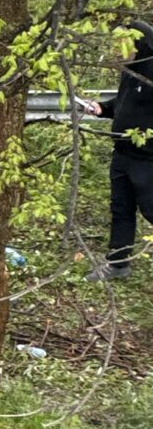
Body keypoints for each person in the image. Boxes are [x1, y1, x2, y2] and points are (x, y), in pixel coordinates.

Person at [84, 21, 153, 281]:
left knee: (151, 209)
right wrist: (103, 108)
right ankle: (118, 264)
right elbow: (124, 102)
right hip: (122, 153)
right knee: (121, 208)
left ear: (139, 43)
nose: (118, 49)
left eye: (123, 43)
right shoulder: (130, 70)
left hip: (147, 158)